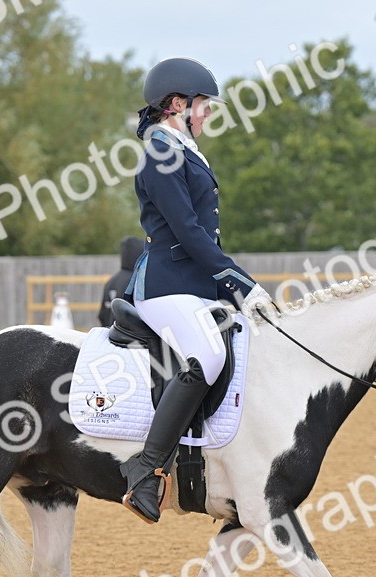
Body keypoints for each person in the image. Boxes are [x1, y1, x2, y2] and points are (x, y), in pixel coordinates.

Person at [118, 57, 273, 524]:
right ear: (178, 105)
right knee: (207, 356)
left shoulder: (183, 150)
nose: (208, 115)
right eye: (204, 106)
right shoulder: (161, 153)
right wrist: (239, 283)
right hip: (167, 286)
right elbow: (188, 231)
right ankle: (145, 470)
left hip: (195, 286)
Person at [98, 236, 145, 328]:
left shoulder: (111, 281)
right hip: (130, 339)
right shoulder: (137, 282)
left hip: (109, 336)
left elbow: (102, 315)